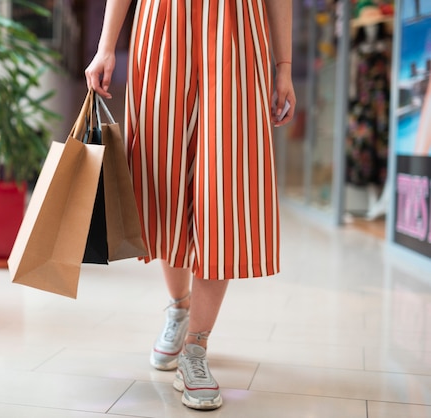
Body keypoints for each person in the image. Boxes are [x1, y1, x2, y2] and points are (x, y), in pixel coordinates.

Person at [85, 0, 296, 410]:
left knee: (226, 189)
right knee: (163, 178)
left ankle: (196, 349)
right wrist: (106, 45)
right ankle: (179, 309)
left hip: (236, 29)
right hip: (162, 25)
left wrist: (283, 65)